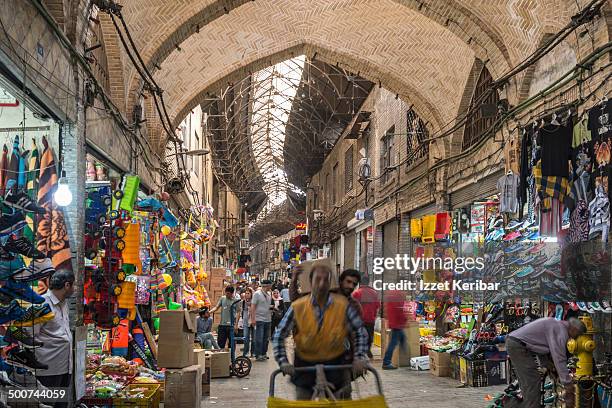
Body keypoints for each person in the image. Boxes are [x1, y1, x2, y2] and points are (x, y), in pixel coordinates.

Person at [272, 261, 369, 401]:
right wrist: (283, 362)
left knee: (338, 401)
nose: (322, 283)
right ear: (311, 281)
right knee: (303, 400)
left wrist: (359, 357)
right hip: (304, 366)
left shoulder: (343, 305)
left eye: (325, 279)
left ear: (330, 283)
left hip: (336, 364)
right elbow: (279, 335)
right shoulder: (298, 306)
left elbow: (360, 332)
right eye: (318, 279)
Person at [506, 317, 586, 408]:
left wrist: (547, 365)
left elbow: (541, 346)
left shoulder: (557, 325)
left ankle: (519, 405)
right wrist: (567, 383)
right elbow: (559, 358)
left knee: (529, 383)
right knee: (532, 381)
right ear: (574, 329)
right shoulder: (561, 331)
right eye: (578, 334)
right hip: (517, 345)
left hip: (515, 343)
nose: (576, 337)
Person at [33, 270, 75, 408]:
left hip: (64, 367)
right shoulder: (42, 304)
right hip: (48, 369)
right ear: (67, 285)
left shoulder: (63, 304)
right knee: (47, 405)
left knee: (60, 405)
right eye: (73, 285)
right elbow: (28, 334)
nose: (74, 289)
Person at [352, 274, 380, 358]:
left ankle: (361, 352)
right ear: (368, 283)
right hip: (370, 319)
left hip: (359, 319)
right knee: (370, 336)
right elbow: (378, 306)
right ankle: (368, 349)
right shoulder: (374, 293)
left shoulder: (356, 293)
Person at [381, 290, 408, 370]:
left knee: (402, 339)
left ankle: (405, 356)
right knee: (393, 343)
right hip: (397, 324)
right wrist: (405, 320)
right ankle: (386, 362)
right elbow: (400, 311)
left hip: (395, 323)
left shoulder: (392, 296)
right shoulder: (398, 297)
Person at [250, 279, 272, 361]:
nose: (271, 286)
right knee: (259, 338)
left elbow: (266, 305)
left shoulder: (269, 294)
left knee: (266, 338)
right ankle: (258, 354)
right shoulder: (257, 294)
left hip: (268, 319)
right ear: (266, 285)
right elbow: (252, 306)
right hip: (259, 319)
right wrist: (253, 319)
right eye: (270, 285)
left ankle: (263, 353)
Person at [240, 288, 254, 357]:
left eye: (248, 293)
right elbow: (240, 312)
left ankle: (253, 353)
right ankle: (245, 353)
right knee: (246, 338)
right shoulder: (243, 302)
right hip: (245, 322)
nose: (247, 295)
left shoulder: (254, 302)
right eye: (246, 293)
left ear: (251, 294)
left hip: (253, 321)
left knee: (254, 339)